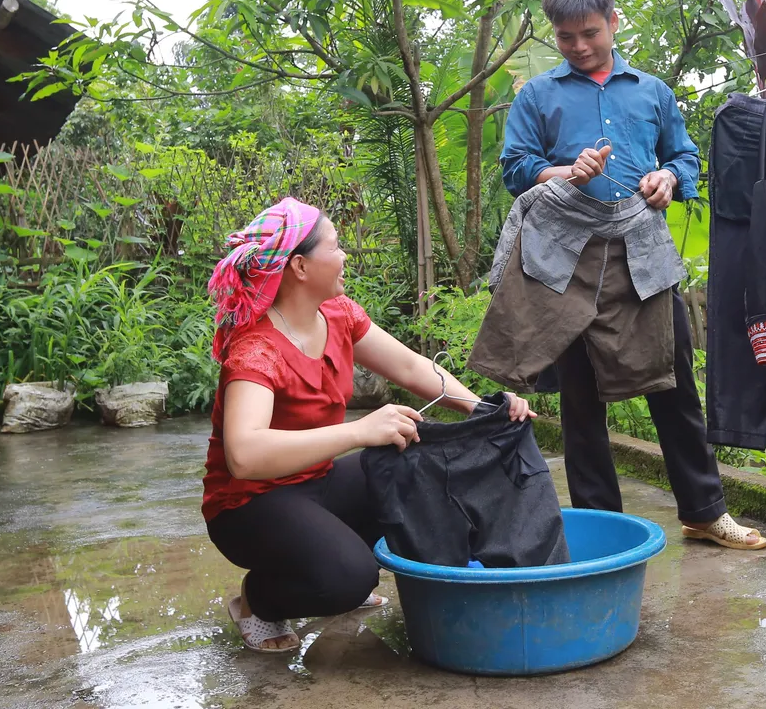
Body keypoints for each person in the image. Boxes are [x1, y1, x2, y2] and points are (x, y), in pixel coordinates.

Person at [499, 0, 766, 551]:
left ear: (613, 22)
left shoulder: (652, 92)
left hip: (641, 256)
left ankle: (703, 512)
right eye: (566, 37)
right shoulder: (538, 96)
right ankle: (606, 531)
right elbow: (515, 166)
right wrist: (563, 172)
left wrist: (669, 176)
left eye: (589, 33)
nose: (578, 46)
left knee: (673, 385)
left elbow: (685, 156)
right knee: (581, 400)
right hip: (564, 263)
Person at [202, 196, 532, 653]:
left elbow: (416, 370)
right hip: (249, 506)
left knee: (416, 461)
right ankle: (257, 600)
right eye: (335, 247)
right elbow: (245, 455)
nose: (345, 257)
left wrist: (486, 410)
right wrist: (359, 431)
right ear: (299, 266)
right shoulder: (256, 350)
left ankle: (322, 562)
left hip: (314, 483)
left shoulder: (338, 315)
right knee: (349, 579)